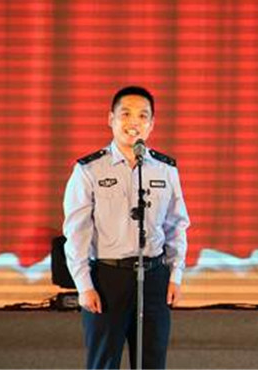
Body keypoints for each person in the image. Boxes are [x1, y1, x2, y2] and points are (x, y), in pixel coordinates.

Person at [63, 85, 190, 369]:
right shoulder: (88, 169)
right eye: (126, 114)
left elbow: (176, 225)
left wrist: (176, 275)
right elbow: (77, 233)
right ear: (111, 119)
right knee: (103, 362)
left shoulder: (166, 169)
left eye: (143, 116)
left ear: (152, 124)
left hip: (154, 277)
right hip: (108, 278)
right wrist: (84, 285)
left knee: (151, 361)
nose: (134, 122)